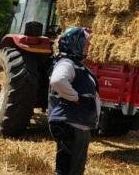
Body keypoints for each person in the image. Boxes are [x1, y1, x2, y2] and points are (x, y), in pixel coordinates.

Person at [47, 26, 100, 175]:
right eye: (85, 43)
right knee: (67, 169)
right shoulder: (67, 63)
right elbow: (58, 80)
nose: (88, 47)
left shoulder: (76, 65)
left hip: (77, 124)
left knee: (74, 170)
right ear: (75, 44)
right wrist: (75, 97)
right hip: (70, 123)